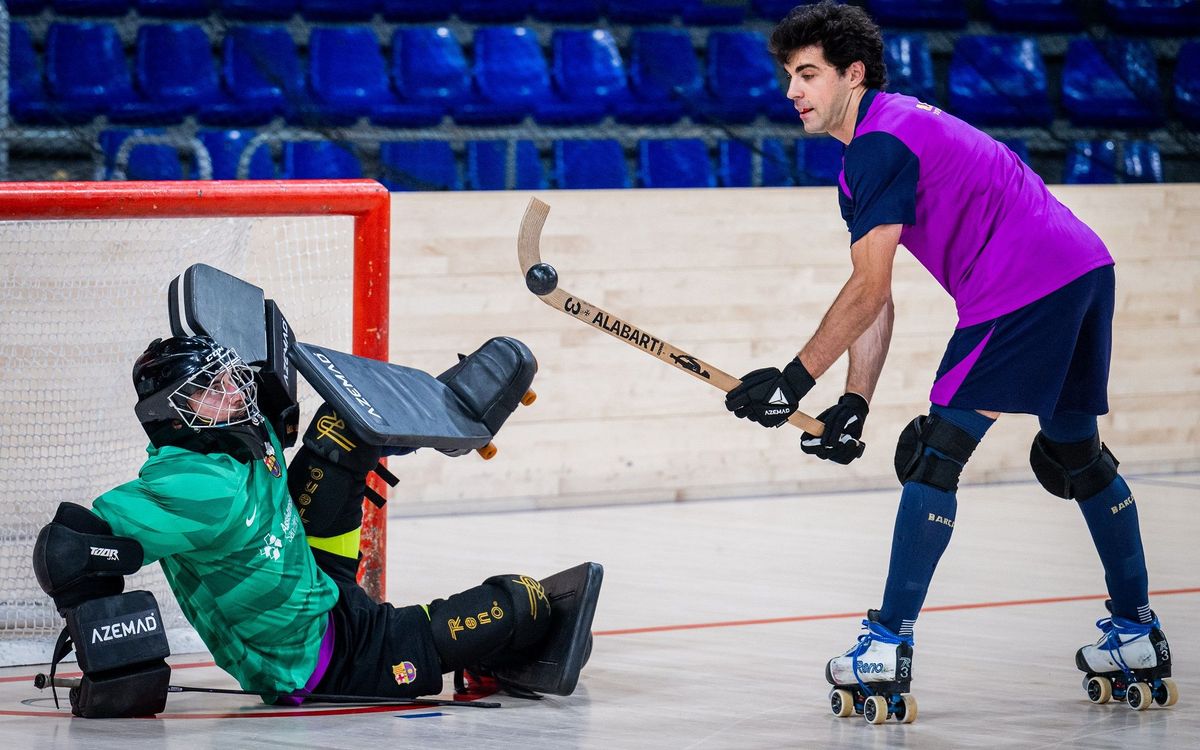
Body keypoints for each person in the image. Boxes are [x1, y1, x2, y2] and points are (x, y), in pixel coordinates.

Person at [723, 1, 1175, 723]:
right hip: (1084, 269)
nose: (792, 92)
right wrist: (853, 402)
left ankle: (885, 643)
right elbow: (881, 293)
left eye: (807, 74)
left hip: (1022, 285)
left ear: (853, 73)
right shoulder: (884, 137)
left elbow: (867, 288)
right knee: (1078, 457)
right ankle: (1135, 634)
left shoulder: (879, 145)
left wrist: (794, 379)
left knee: (937, 456)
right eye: (788, 76)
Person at [33, 335, 588, 717]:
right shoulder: (187, 488)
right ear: (170, 412)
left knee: (342, 425)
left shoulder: (246, 433)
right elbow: (68, 550)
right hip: (320, 662)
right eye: (211, 388)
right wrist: (113, 659)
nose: (235, 390)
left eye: (227, 377)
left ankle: (452, 411)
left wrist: (442, 421)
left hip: (317, 581)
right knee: (526, 600)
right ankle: (487, 657)